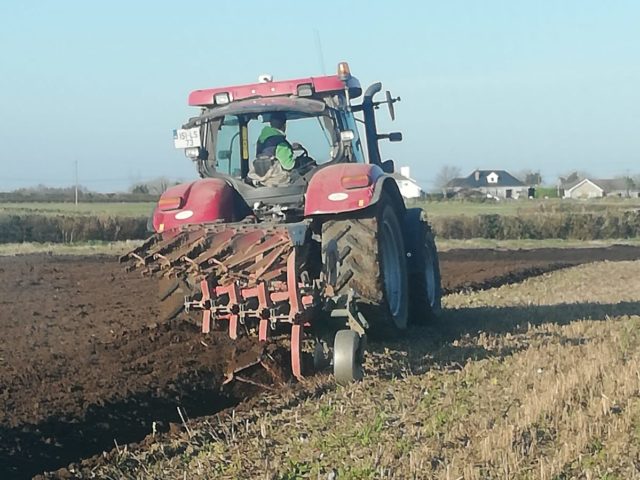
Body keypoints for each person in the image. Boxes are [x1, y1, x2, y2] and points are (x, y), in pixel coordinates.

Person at [250, 112, 296, 186]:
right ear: (284, 125)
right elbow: (288, 165)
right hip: (278, 182)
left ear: (271, 124)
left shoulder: (262, 139)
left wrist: (290, 148)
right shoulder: (280, 142)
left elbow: (269, 151)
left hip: (262, 179)